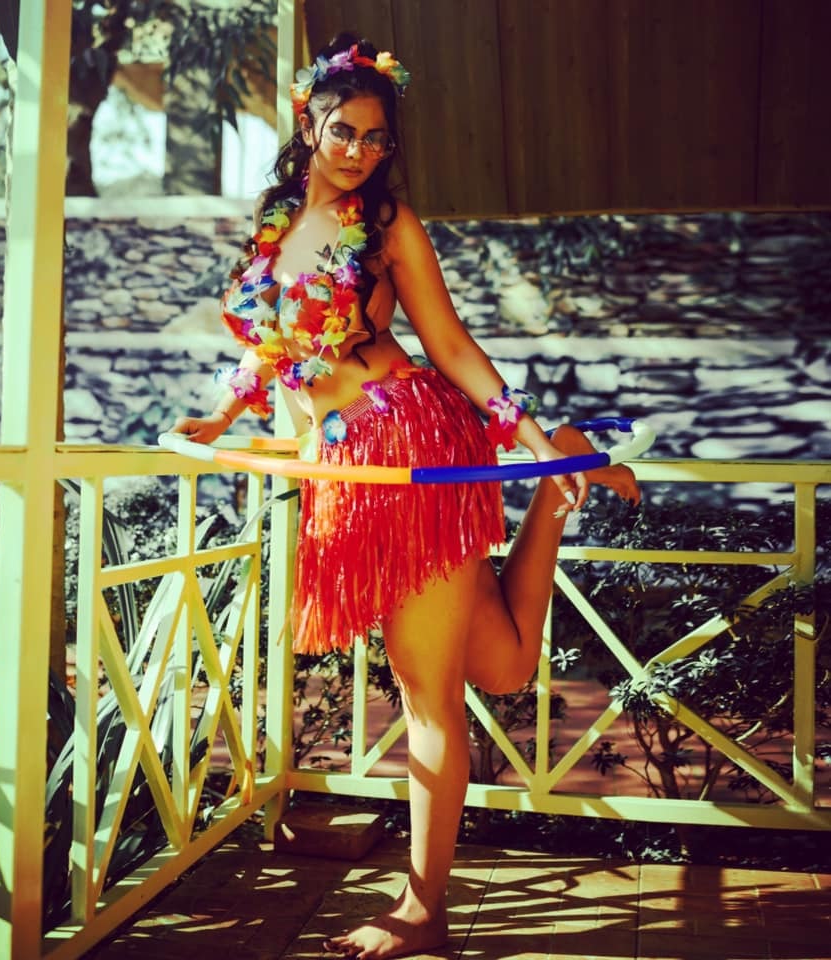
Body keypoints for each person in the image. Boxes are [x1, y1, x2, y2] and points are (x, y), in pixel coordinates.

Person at [172, 32, 640, 960]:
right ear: (308, 123)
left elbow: (452, 347)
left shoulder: (388, 226)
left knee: (429, 697)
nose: (359, 150)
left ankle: (423, 910)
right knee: (500, 668)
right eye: (344, 131)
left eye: (377, 137)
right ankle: (561, 483)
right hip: (348, 470)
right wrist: (222, 416)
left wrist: (528, 443)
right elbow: (274, 345)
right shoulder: (278, 225)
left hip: (405, 443)